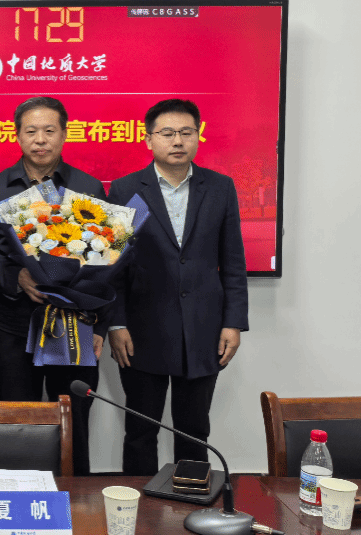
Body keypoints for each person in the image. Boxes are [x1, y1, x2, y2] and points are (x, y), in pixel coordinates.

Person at [106, 98, 248, 476]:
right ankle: (137, 505)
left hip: (203, 330)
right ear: (148, 139)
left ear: (198, 137)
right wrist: (116, 323)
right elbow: (113, 268)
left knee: (194, 431)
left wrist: (233, 322)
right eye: (167, 133)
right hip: (141, 331)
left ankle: (191, 500)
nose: (178, 141)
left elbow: (233, 263)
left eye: (186, 132)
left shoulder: (220, 188)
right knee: (141, 431)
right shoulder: (124, 190)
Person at [0, 96, 106, 476]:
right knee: (17, 425)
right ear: (18, 135)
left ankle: (77, 503)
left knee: (73, 426)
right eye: (31, 131)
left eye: (49, 131)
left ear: (65, 134)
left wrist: (100, 327)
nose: (40, 139)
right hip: (14, 325)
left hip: (74, 326)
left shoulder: (88, 187)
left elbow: (106, 264)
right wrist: (16, 277)